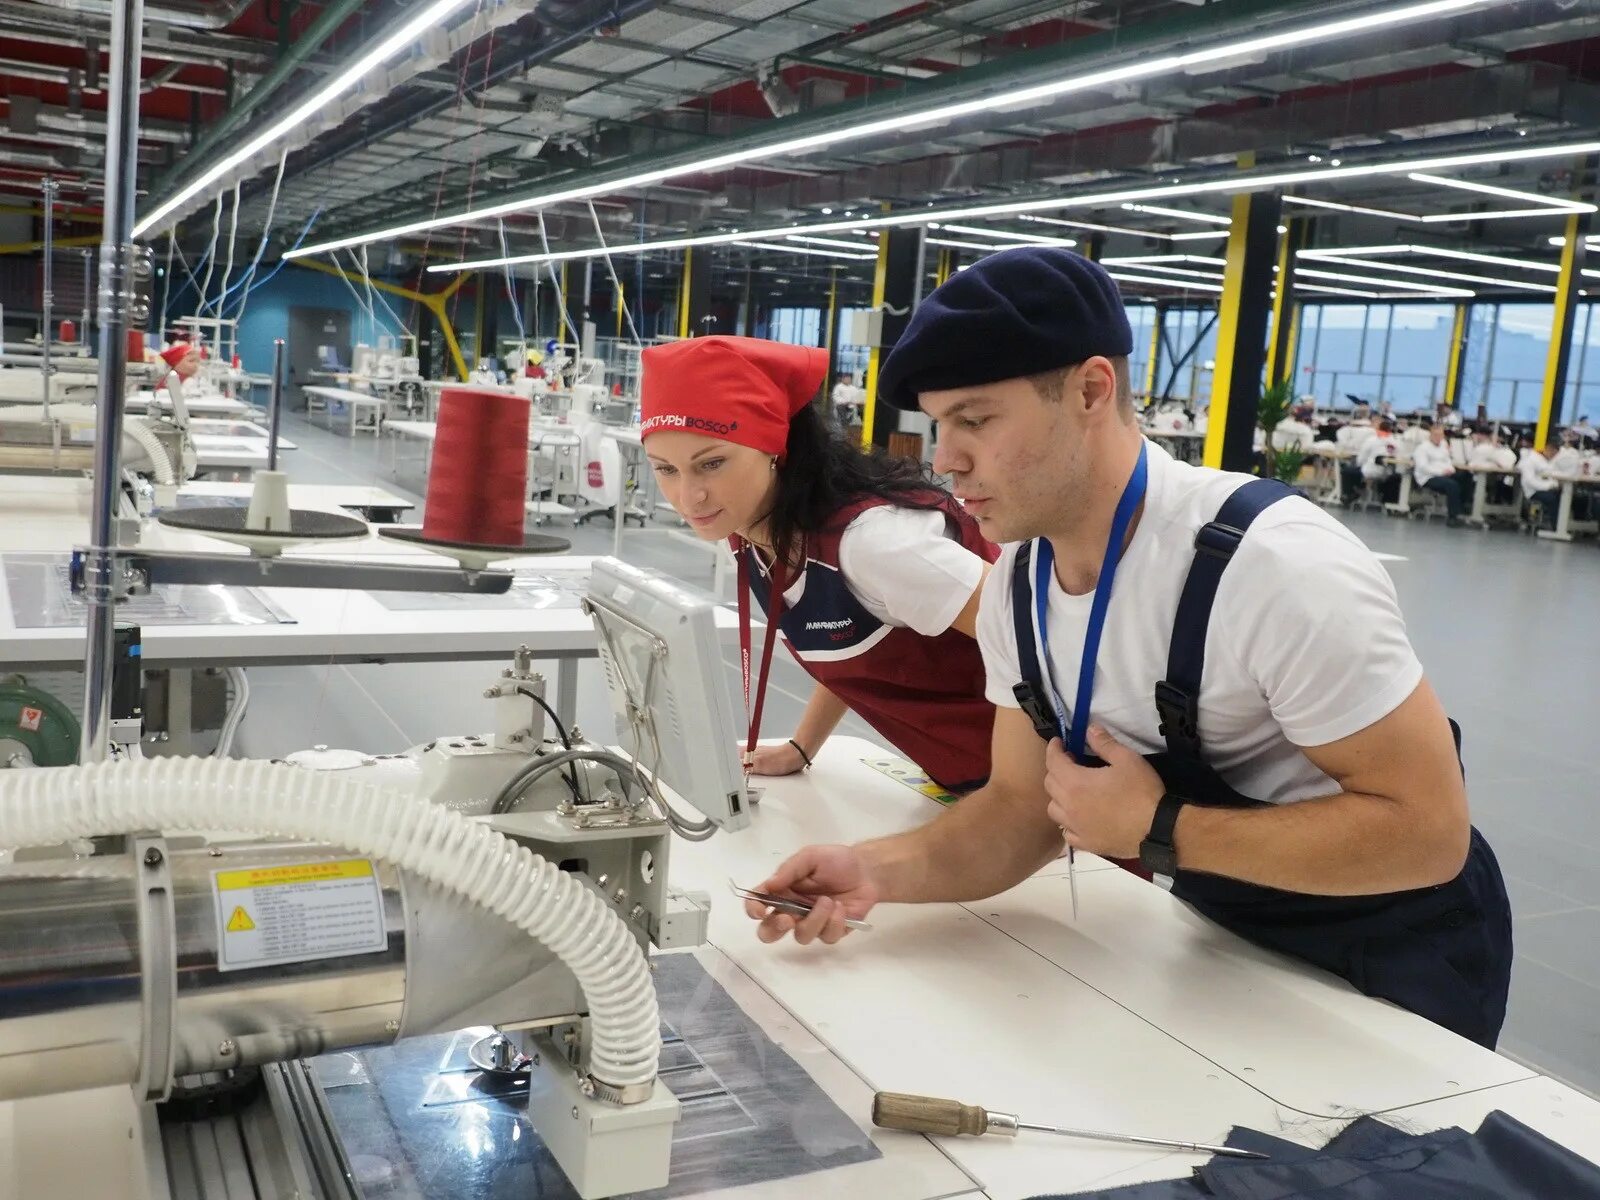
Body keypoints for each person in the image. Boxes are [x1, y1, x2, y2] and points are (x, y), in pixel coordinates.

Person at [741, 248, 1512, 1050]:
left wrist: (1160, 829)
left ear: (1090, 390)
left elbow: (1426, 833)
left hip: (1395, 945)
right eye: (938, 425)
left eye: (976, 419)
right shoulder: (1017, 585)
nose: (945, 459)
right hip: (1226, 930)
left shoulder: (1273, 568)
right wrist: (875, 871)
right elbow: (1015, 809)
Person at [640, 335, 998, 792]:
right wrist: (802, 746)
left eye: (712, 464)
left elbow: (1036, 640)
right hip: (969, 781)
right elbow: (847, 639)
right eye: (665, 469)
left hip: (1048, 794)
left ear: (774, 448)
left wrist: (1011, 804)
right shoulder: (754, 532)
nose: (689, 497)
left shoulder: (876, 544)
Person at [1413, 425, 1464, 526]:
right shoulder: (1422, 448)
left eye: (1440, 435)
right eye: (1435, 435)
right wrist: (1441, 472)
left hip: (1444, 473)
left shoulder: (1443, 445)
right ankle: (1452, 517)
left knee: (1465, 477)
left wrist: (1451, 470)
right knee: (1452, 485)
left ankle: (1462, 510)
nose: (1438, 437)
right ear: (1430, 435)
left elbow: (1448, 460)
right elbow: (1423, 467)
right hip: (1428, 477)